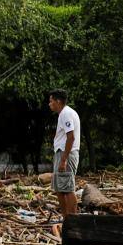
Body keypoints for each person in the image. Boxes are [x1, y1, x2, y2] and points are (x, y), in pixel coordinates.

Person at [48, 89, 81, 218]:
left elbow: (70, 137)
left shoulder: (66, 113)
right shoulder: (64, 114)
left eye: (51, 101)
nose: (49, 104)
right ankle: (66, 218)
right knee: (60, 188)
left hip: (66, 154)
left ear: (58, 101)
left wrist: (63, 159)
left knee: (67, 188)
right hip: (62, 153)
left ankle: (72, 220)